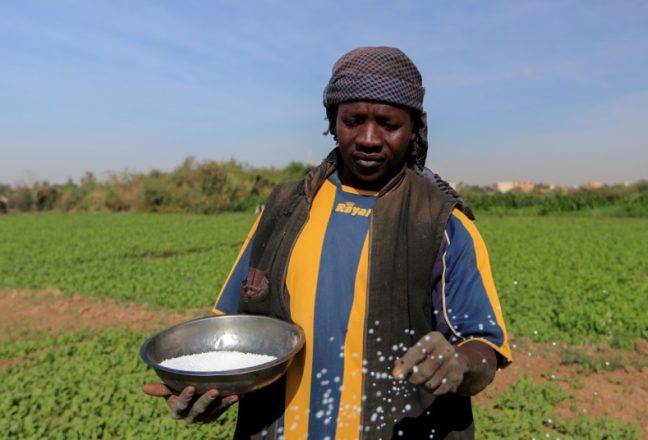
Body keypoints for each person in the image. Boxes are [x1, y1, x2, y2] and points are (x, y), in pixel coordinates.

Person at [143, 46, 511, 439]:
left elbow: (483, 348)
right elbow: (234, 330)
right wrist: (208, 388)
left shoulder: (441, 224)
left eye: (388, 124)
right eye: (353, 120)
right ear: (332, 121)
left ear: (414, 128)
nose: (369, 138)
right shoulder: (285, 207)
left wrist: (458, 363)